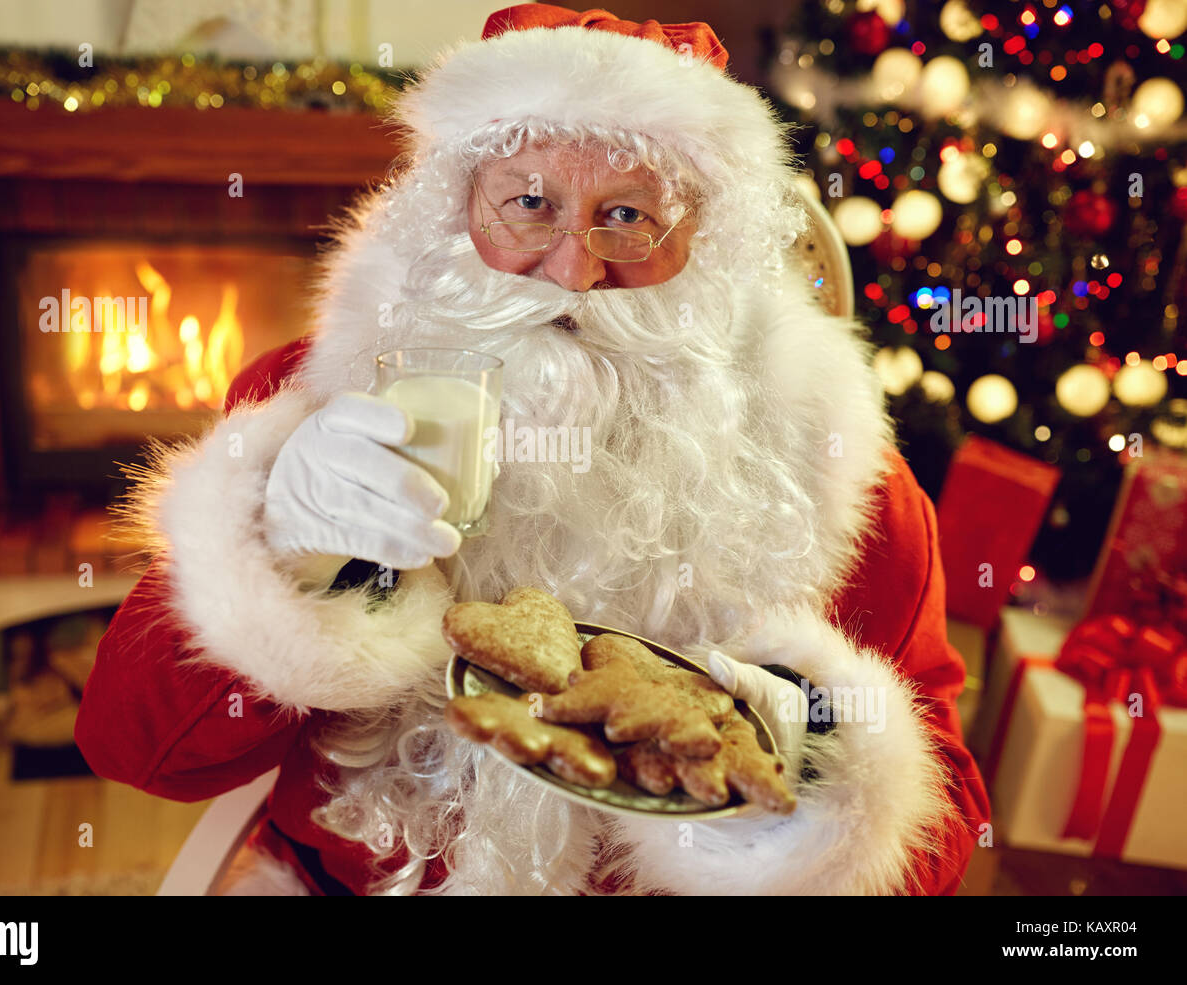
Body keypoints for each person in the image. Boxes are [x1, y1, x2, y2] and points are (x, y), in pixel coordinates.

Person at [76, 3, 990, 895]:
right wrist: (281, 558)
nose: (574, 269)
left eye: (631, 215)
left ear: (708, 247)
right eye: (529, 201)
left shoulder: (831, 467)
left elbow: (944, 823)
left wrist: (817, 771)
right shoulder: (315, 397)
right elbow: (129, 748)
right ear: (455, 212)